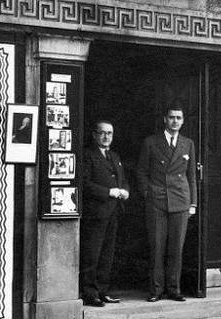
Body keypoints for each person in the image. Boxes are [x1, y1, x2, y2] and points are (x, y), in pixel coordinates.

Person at [136, 104, 197, 302]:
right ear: (165, 119)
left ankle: (174, 289)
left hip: (180, 199)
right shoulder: (151, 142)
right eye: (171, 117)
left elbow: (191, 176)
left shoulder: (188, 143)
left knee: (176, 248)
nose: (175, 121)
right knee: (157, 247)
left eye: (179, 118)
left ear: (183, 121)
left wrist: (193, 203)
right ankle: (156, 290)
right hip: (157, 200)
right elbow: (142, 172)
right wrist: (147, 193)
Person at [80, 120, 129, 307]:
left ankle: (102, 291)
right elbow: (84, 183)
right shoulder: (87, 155)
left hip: (113, 212)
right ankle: (89, 293)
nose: (106, 136)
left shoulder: (114, 156)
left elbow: (122, 179)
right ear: (94, 134)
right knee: (92, 254)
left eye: (110, 133)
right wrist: (108, 192)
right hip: (96, 213)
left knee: (107, 255)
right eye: (102, 133)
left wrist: (125, 190)